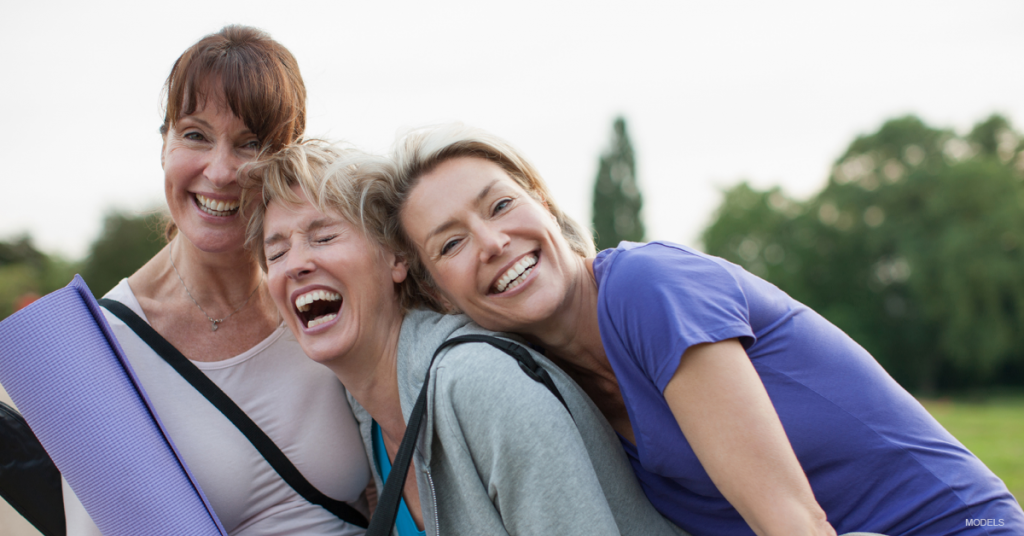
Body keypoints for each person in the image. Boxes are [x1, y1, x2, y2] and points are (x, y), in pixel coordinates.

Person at [367, 122, 1024, 536]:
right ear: (435, 291)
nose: (492, 241)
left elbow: (792, 522)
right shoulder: (545, 384)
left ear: (544, 201)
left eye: (502, 204)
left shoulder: (649, 290)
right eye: (451, 244)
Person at [241, 139, 688, 536]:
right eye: (275, 252)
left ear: (397, 258)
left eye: (323, 237)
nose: (294, 264)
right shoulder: (369, 416)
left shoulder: (479, 384)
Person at [63, 26, 371, 536]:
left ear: (286, 161)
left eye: (251, 144)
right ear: (164, 143)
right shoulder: (101, 348)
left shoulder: (321, 297)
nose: (222, 171)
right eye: (195, 135)